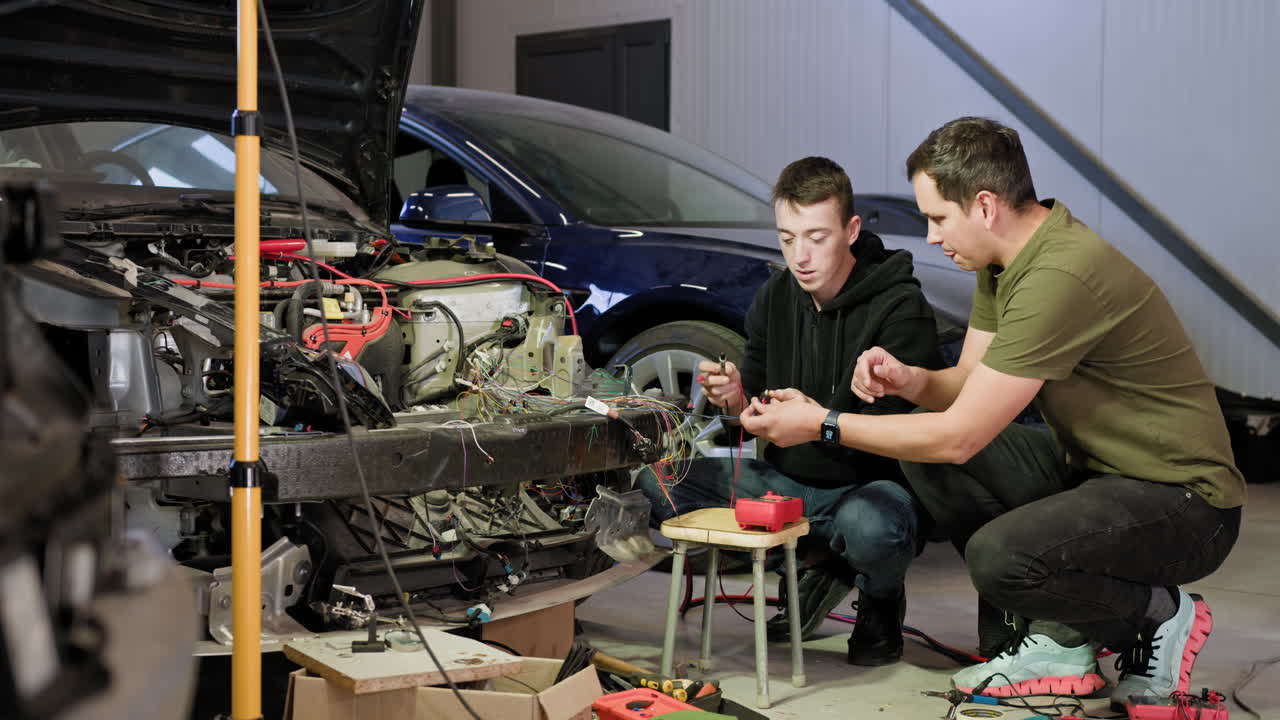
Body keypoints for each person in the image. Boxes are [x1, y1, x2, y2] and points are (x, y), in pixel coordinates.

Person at [739, 117, 1244, 706]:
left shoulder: (1059, 274)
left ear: (984, 206)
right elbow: (965, 389)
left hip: (1186, 499)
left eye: (937, 218)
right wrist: (913, 379)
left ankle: (1161, 613)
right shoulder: (1000, 263)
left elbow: (960, 436)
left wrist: (822, 423)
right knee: (921, 461)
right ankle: (1058, 639)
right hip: (1100, 469)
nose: (930, 236)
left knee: (998, 557)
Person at [637, 156, 943, 666]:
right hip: (787, 486)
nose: (799, 255)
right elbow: (752, 402)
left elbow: (909, 429)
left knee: (874, 529)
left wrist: (818, 423)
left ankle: (879, 599)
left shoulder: (899, 306)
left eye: (816, 237)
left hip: (866, 488)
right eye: (786, 237)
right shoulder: (774, 298)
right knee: (657, 484)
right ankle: (810, 559)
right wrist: (735, 396)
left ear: (850, 230)